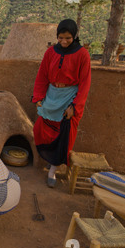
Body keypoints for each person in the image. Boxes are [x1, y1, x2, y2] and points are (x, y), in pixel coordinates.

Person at [32, 19, 92, 188]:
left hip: (69, 97)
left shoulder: (82, 55)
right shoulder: (51, 52)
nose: (64, 41)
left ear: (74, 36)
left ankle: (53, 169)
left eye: (68, 38)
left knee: (63, 133)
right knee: (41, 128)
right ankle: (50, 159)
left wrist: (75, 106)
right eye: (60, 38)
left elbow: (85, 83)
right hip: (52, 95)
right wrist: (38, 97)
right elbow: (42, 75)